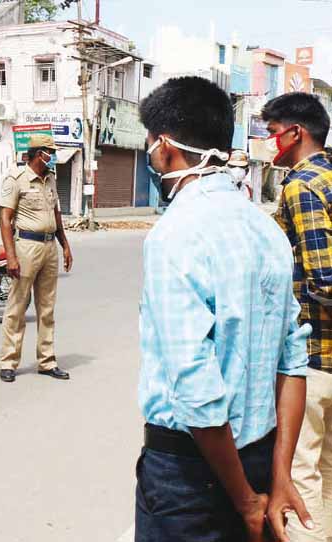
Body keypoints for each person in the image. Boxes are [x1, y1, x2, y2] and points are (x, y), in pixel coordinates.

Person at [136, 77, 312, 542]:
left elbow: (196, 389)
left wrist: (245, 501)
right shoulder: (265, 229)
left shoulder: (173, 235)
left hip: (190, 475)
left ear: (167, 148)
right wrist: (278, 477)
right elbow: (292, 360)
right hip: (259, 460)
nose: (152, 156)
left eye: (151, 145)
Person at [265, 92, 332, 541]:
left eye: (272, 133)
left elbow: (325, 279)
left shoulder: (301, 185)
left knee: (302, 473)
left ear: (295, 133)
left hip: (313, 356)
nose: (270, 142)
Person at [0, 133, 73, 383]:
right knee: (17, 306)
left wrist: (65, 245)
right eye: (50, 151)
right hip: (26, 246)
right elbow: (5, 220)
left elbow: (56, 214)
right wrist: (10, 256)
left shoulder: (51, 179)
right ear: (39, 153)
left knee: (47, 308)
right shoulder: (16, 179)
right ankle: (9, 361)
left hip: (49, 246)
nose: (53, 156)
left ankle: (47, 360)